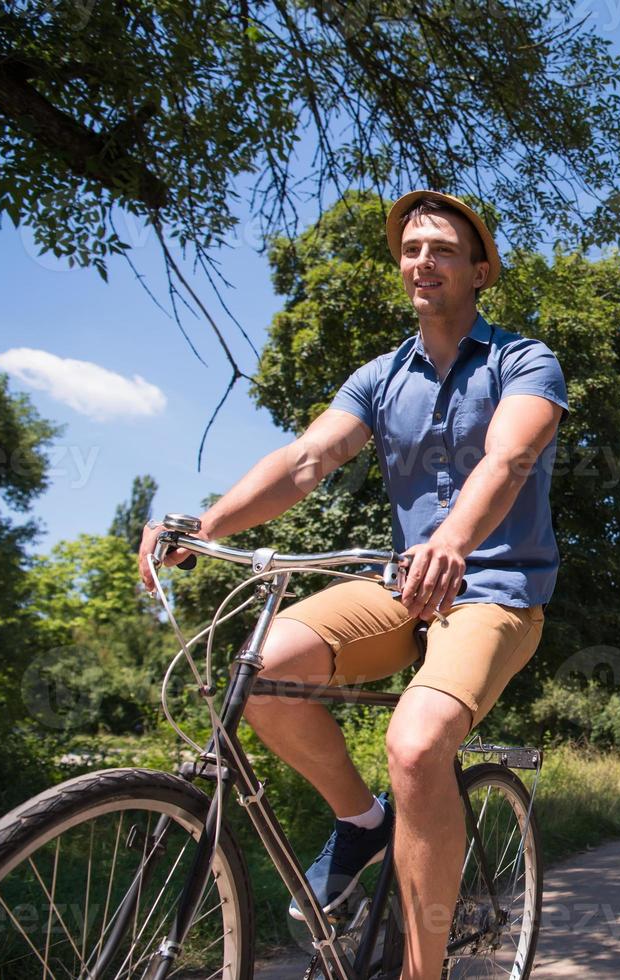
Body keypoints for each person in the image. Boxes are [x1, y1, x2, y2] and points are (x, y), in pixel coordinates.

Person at [137, 190, 567, 979]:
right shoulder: (378, 376)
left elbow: (508, 460)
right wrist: (205, 527)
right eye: (410, 249)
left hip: (495, 590)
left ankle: (420, 971)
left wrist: (453, 538)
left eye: (440, 249)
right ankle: (361, 821)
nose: (421, 261)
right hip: (402, 588)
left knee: (414, 746)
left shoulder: (523, 360)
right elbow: (305, 461)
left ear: (478, 272)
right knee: (261, 669)